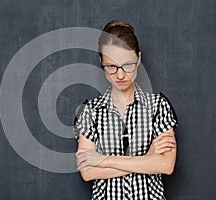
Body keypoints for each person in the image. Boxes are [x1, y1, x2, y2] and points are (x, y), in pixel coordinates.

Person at [73, 20, 178, 200]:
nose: (120, 75)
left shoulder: (159, 106)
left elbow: (166, 165)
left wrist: (104, 160)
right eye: (112, 66)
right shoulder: (89, 112)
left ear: (138, 59)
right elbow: (88, 172)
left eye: (127, 65)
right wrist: (148, 158)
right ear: (101, 61)